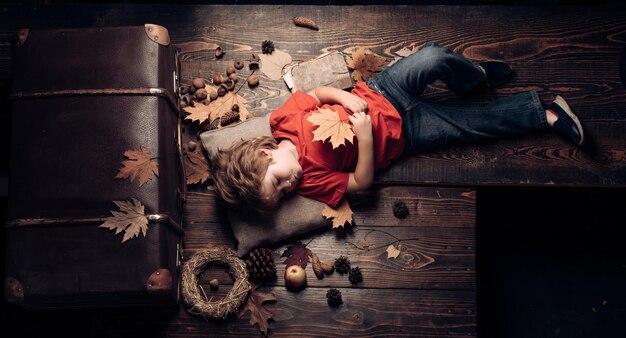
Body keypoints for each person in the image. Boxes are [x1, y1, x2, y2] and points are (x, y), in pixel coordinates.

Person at [211, 42, 585, 215]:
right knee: (470, 125)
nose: (290, 186)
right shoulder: (310, 182)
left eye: (278, 181)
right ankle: (546, 114)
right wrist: (365, 139)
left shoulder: (283, 120)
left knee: (432, 57)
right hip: (404, 134)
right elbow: (360, 184)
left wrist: (341, 100)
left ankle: (475, 76)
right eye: (283, 194)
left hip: (383, 91)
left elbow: (314, 93)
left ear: (266, 153)